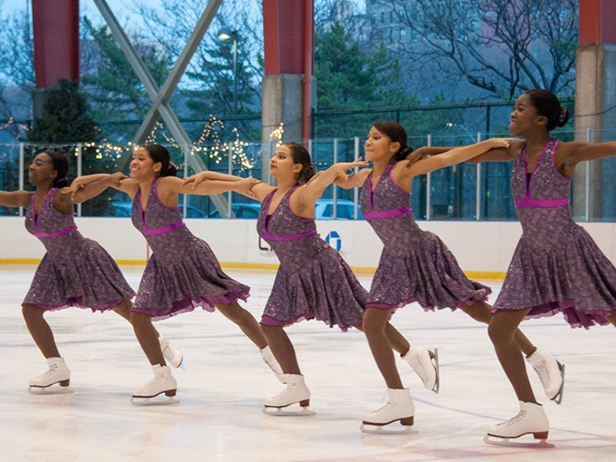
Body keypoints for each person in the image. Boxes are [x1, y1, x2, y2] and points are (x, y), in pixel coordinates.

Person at [410, 89, 616, 442]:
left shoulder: (564, 153)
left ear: (540, 120)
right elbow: (471, 156)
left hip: (570, 251)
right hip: (531, 254)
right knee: (499, 329)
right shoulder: (515, 150)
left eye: (520, 109)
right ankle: (531, 412)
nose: (512, 113)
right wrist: (429, 151)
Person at [188, 143, 447, 423]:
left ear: (297, 167)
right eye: (275, 155)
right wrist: (208, 173)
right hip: (290, 271)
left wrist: (333, 170)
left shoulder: (303, 195)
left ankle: (413, 354)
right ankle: (295, 384)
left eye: (282, 157)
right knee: (270, 325)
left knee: (362, 320)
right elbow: (243, 183)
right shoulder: (268, 194)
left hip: (321, 267)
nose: (274, 159)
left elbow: (319, 184)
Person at [334, 122, 564, 430]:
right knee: (372, 323)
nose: (368, 141)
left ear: (393, 146)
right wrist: (334, 170)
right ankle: (398, 399)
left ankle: (538, 357)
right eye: (368, 136)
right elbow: (344, 183)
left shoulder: (401, 170)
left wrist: (486, 143)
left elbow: (449, 159)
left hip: (422, 252)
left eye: (376, 137)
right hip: (393, 258)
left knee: (479, 311)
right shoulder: (365, 177)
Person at [68, 144, 283, 403]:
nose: (134, 162)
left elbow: (199, 187)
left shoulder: (165, 184)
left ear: (156, 166)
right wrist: (91, 178)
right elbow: (82, 193)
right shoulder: (133, 188)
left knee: (231, 310)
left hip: (190, 256)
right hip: (162, 263)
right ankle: (162, 375)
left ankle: (271, 354)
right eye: (134, 158)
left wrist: (237, 185)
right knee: (138, 316)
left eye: (141, 159)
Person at [0, 150, 143, 394]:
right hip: (55, 262)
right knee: (31, 310)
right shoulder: (27, 199)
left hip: (83, 256)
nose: (32, 167)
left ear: (53, 173)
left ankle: (156, 342)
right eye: (33, 163)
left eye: (39, 164)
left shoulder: (62, 196)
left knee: (120, 305)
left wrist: (109, 180)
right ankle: (56, 366)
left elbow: (86, 191)